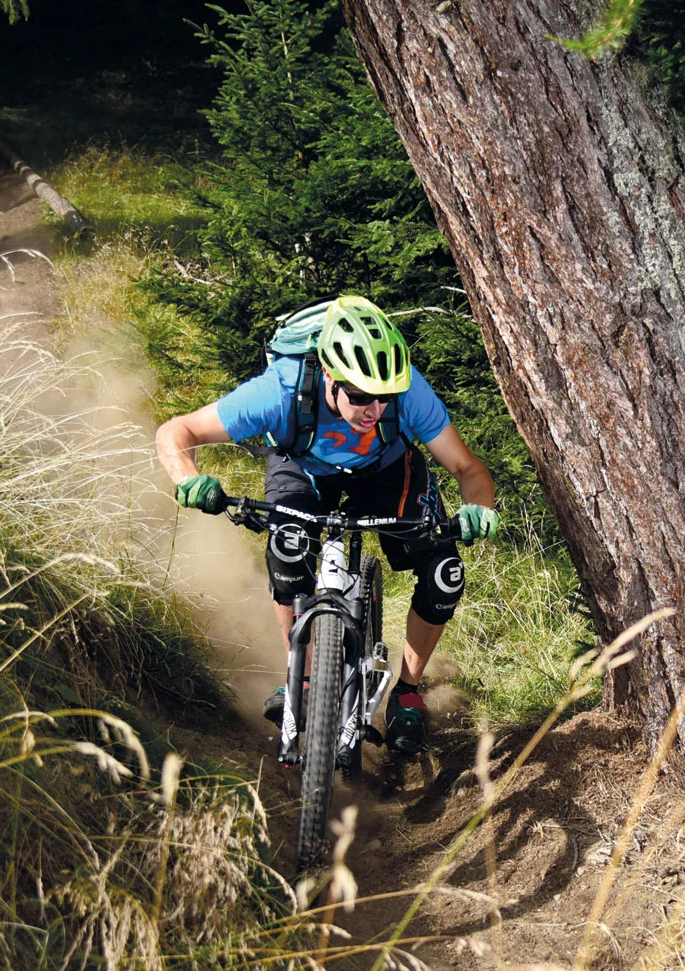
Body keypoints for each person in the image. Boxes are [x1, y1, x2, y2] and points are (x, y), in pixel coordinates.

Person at [153, 295, 498, 754]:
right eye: (359, 396)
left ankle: (407, 690)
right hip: (304, 467)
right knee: (288, 549)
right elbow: (178, 432)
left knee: (444, 573)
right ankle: (305, 676)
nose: (374, 410)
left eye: (384, 397)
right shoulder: (282, 389)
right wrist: (189, 480)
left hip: (386, 469)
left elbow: (468, 470)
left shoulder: (408, 389)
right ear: (331, 377)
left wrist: (480, 510)